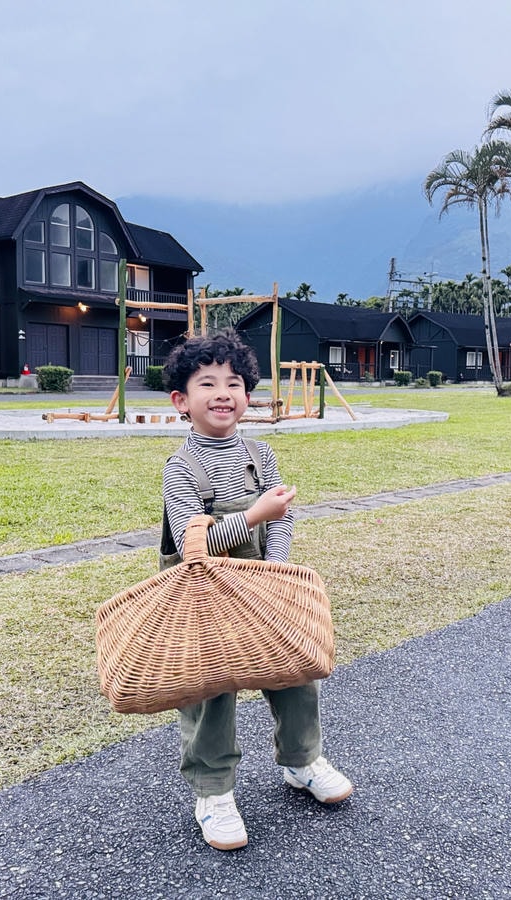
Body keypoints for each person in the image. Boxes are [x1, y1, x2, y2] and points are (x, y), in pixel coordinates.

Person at [160, 328, 352, 851]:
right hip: (205, 598)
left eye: (235, 383)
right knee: (210, 693)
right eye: (207, 384)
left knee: (295, 673)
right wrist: (253, 515)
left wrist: (276, 570)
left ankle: (302, 760)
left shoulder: (261, 454)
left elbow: (282, 518)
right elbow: (194, 544)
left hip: (264, 589)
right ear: (181, 401)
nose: (223, 393)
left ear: (248, 395)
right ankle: (213, 791)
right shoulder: (181, 468)